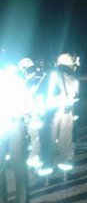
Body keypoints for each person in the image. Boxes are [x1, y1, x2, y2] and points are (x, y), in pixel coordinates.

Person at [36, 53, 79, 177]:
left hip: (50, 114)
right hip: (68, 113)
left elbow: (39, 93)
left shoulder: (50, 75)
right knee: (66, 142)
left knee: (47, 142)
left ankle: (46, 174)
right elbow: (77, 96)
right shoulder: (74, 78)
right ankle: (66, 171)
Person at [0, 63, 33, 203]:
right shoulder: (19, 83)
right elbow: (31, 106)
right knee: (19, 166)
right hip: (15, 125)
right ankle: (22, 200)